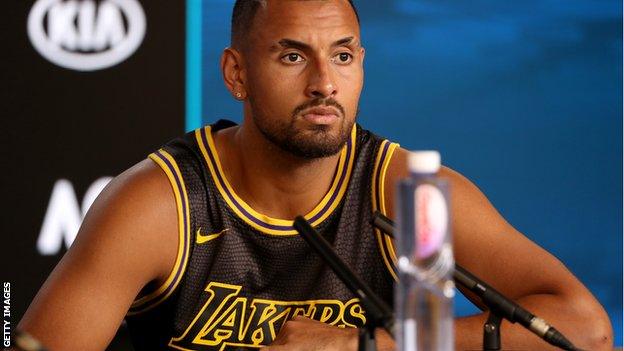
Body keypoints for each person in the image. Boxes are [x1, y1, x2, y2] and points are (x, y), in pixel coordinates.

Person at [18, 0, 613, 350]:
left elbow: (584, 329)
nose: (325, 82)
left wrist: (365, 346)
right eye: (293, 55)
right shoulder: (162, 204)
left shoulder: (405, 194)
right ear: (236, 74)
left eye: (344, 55)